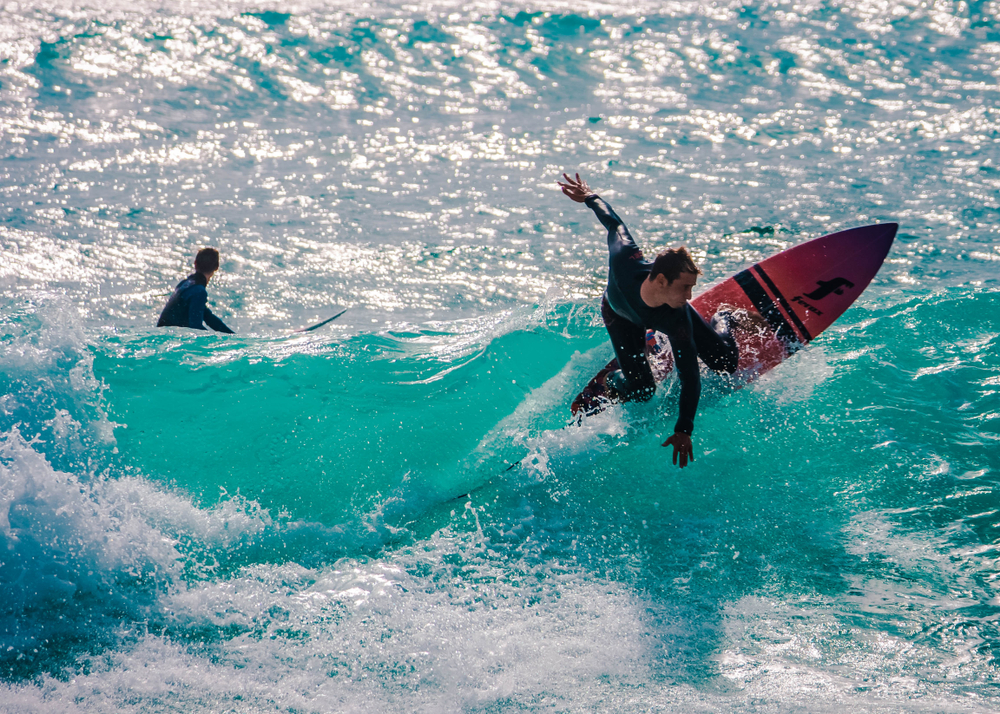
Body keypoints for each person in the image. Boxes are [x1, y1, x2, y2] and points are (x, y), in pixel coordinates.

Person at [558, 173, 738, 468]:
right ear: (662, 279)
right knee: (641, 391)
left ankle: (726, 316)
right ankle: (616, 379)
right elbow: (614, 223)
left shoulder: (677, 316)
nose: (690, 296)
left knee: (725, 363)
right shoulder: (625, 259)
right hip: (620, 314)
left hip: (660, 315)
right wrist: (590, 197)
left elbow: (690, 375)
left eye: (693, 288)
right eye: (685, 287)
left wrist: (683, 429)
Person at [156, 247, 235, 333]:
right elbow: (195, 328)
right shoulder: (198, 291)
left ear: (195, 263)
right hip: (171, 338)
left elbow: (208, 317)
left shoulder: (185, 284)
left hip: (162, 335)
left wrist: (233, 337)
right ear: (216, 267)